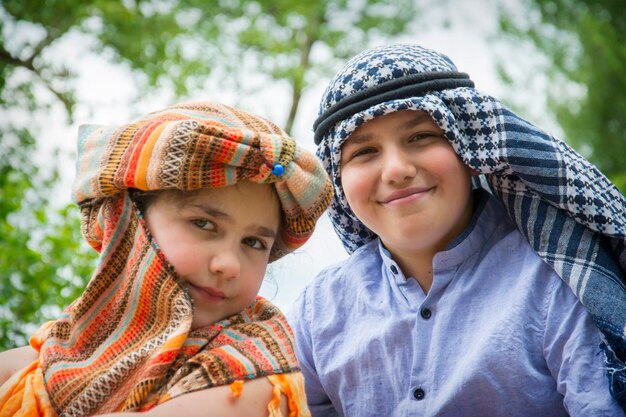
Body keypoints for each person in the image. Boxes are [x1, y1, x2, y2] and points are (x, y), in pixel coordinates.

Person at [287, 44, 626, 416]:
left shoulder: (555, 279)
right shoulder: (318, 311)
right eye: (364, 152)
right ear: (338, 179)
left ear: (470, 149)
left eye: (420, 137)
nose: (396, 169)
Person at [0, 101, 333, 417]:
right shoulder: (61, 346)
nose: (229, 264)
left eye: (254, 242)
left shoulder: (252, 371)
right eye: (204, 224)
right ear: (128, 225)